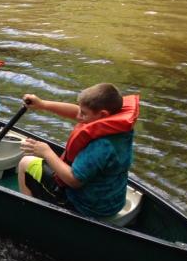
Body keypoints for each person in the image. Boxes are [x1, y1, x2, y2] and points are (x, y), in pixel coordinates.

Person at [16, 84, 138, 218]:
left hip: (86, 207)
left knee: (25, 163)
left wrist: (47, 152)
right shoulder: (119, 128)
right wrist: (42, 104)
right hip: (113, 202)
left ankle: (28, 214)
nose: (79, 115)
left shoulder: (101, 145)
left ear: (103, 114)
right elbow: (78, 112)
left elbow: (74, 180)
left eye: (83, 113)